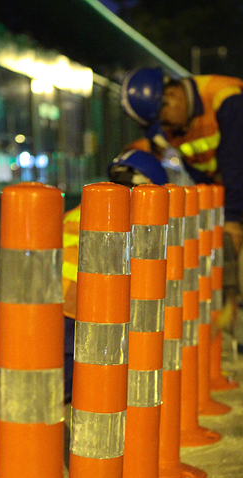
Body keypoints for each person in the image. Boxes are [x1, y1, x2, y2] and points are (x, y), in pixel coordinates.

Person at [121, 67, 243, 370]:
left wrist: (232, 218)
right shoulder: (165, 118)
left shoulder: (229, 100)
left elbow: (237, 163)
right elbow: (164, 152)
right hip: (220, 194)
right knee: (215, 273)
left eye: (163, 120)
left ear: (173, 95)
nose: (164, 129)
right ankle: (220, 347)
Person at [62, 149, 168, 401]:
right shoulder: (130, 213)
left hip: (55, 297)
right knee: (82, 377)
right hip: (79, 303)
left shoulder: (86, 205)